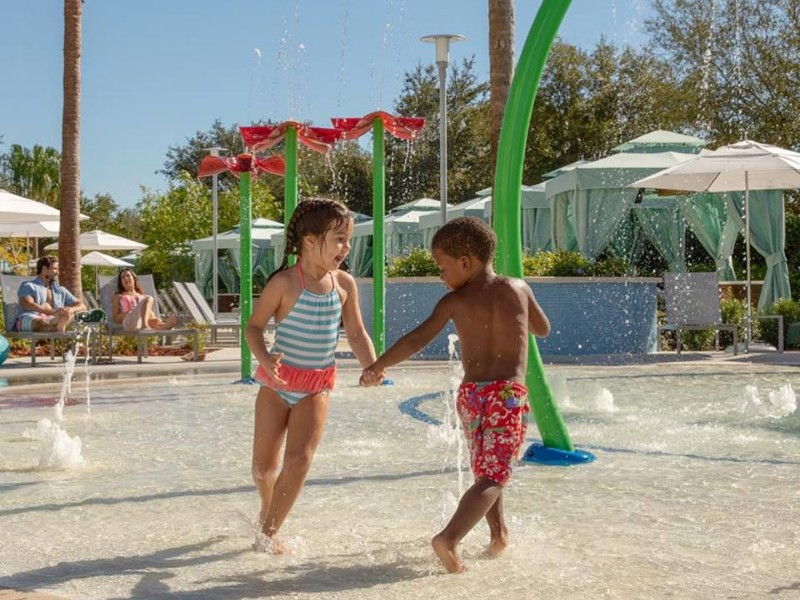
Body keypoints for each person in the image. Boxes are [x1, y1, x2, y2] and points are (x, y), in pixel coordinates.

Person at [360, 216, 551, 574]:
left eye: (442, 267)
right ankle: (448, 538)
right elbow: (543, 328)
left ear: (466, 262)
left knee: (485, 470)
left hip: (471, 397)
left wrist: (378, 365)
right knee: (495, 476)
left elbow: (417, 338)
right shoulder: (517, 289)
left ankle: (499, 535)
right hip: (506, 396)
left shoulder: (454, 302)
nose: (441, 276)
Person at [245, 197, 377, 553]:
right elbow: (254, 328)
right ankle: (267, 507)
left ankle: (268, 533)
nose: (346, 247)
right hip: (276, 385)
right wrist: (265, 358)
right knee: (263, 468)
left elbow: (356, 333)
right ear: (309, 240)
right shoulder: (285, 284)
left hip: (316, 385)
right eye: (339, 239)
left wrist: (372, 365)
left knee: (300, 460)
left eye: (348, 240)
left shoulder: (344, 284)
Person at [14, 256, 87, 333]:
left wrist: (70, 309)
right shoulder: (28, 286)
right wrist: (53, 312)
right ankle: (58, 328)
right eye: (55, 269)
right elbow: (28, 304)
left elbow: (82, 305)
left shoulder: (60, 290)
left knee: (68, 315)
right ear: (44, 269)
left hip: (52, 319)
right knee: (41, 322)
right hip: (30, 317)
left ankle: (57, 327)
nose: (58, 272)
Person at [112, 269, 177, 331]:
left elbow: (150, 315)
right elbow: (116, 319)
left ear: (134, 278)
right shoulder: (119, 296)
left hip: (142, 322)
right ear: (121, 282)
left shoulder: (142, 296)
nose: (125, 278)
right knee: (149, 298)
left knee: (154, 320)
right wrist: (131, 312)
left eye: (128, 276)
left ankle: (165, 326)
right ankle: (145, 326)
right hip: (129, 322)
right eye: (123, 277)